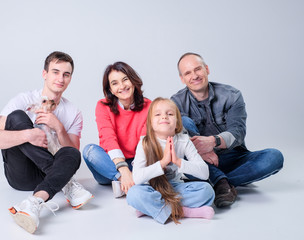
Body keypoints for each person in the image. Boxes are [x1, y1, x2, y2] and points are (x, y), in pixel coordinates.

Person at [0, 51, 93, 234]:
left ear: (70, 79)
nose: (60, 78)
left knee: (72, 152)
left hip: (49, 178)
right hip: (22, 174)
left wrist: (59, 127)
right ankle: (67, 184)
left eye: (66, 74)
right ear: (44, 74)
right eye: (55, 72)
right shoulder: (23, 100)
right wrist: (27, 135)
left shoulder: (73, 112)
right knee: (17, 117)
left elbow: (72, 154)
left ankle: (34, 202)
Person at [171, 52, 284, 208]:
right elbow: (179, 139)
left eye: (198, 69)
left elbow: (238, 131)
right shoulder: (175, 103)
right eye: (188, 73)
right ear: (182, 79)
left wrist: (212, 142)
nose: (194, 76)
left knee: (274, 157)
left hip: (235, 157)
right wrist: (202, 152)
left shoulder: (232, 95)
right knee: (183, 124)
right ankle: (220, 182)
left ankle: (219, 182)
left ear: (207, 69)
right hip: (200, 161)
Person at [126, 97, 215, 224]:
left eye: (170, 114)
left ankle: (151, 209)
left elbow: (204, 173)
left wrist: (178, 161)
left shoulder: (184, 140)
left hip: (175, 188)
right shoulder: (144, 142)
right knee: (134, 194)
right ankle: (184, 212)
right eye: (158, 114)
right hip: (151, 189)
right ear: (150, 123)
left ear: (178, 122)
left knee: (207, 191)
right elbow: (137, 178)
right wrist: (163, 162)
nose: (164, 117)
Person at [83, 62, 151, 198]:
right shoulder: (103, 106)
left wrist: (133, 169)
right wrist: (123, 170)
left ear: (133, 80)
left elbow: (145, 142)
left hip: (137, 164)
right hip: (109, 167)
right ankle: (126, 181)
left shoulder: (149, 105)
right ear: (111, 89)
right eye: (115, 83)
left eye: (125, 79)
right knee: (89, 151)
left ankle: (125, 184)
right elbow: (108, 138)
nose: (122, 86)